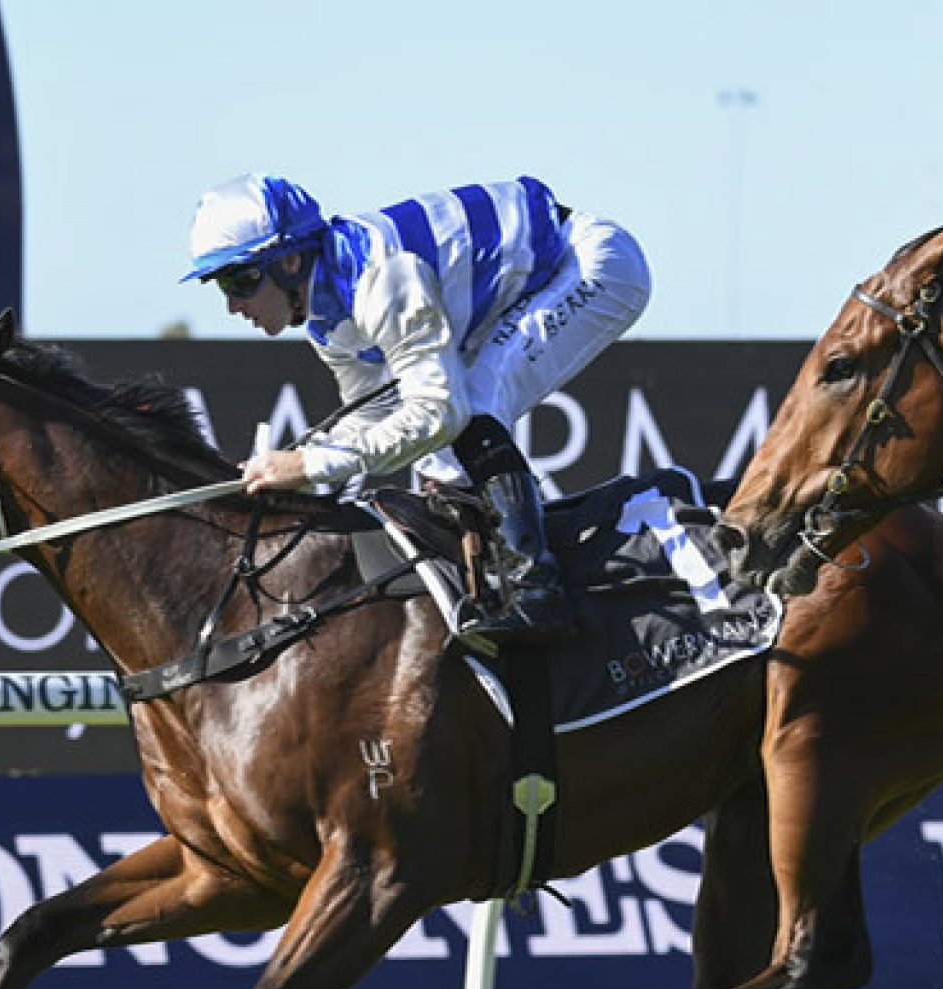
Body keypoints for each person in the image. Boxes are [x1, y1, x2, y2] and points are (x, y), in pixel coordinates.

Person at [180, 173, 652, 646]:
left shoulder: (380, 278)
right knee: (442, 456)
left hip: (591, 265)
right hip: (532, 284)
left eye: (241, 279)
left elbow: (438, 413)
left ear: (290, 260)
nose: (233, 304)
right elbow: (375, 415)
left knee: (473, 412)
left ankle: (537, 593)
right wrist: (296, 469)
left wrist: (309, 463)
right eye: (219, 284)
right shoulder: (327, 324)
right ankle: (494, 582)